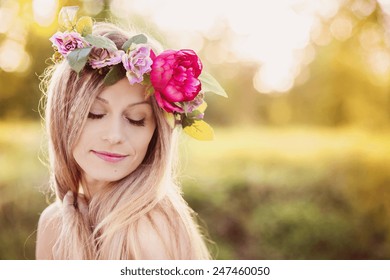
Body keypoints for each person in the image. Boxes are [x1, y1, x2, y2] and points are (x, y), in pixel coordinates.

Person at [36, 7, 226, 260]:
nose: (114, 135)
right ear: (62, 117)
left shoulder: (149, 229)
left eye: (136, 120)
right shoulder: (54, 221)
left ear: (155, 134)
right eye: (94, 113)